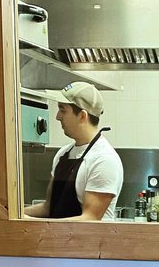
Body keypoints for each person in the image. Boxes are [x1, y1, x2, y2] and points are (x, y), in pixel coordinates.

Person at [24, 83, 123, 222]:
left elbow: (90, 219)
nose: (57, 116)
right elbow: (49, 207)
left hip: (87, 237)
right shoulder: (63, 154)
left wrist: (30, 222)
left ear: (82, 116)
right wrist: (14, 214)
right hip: (57, 235)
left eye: (62, 110)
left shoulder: (104, 160)